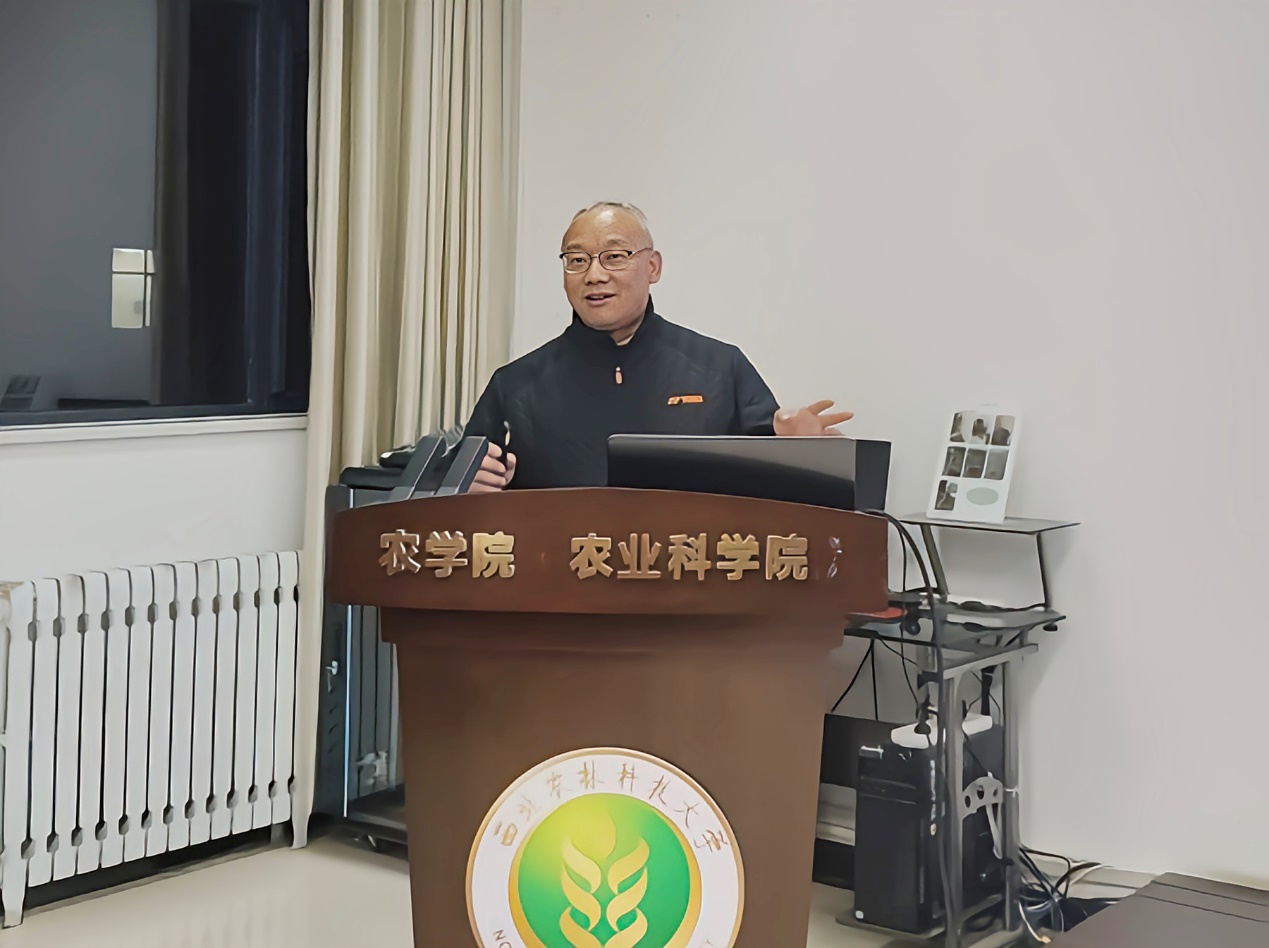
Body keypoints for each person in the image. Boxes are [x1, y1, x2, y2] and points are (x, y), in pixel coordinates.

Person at [463, 201, 853, 491]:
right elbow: (457, 486)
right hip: (561, 572)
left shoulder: (719, 367)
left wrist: (798, 449)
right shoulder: (516, 384)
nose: (594, 275)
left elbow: (772, 488)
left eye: (614, 257)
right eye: (577, 260)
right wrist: (466, 482)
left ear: (653, 267)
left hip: (692, 570)